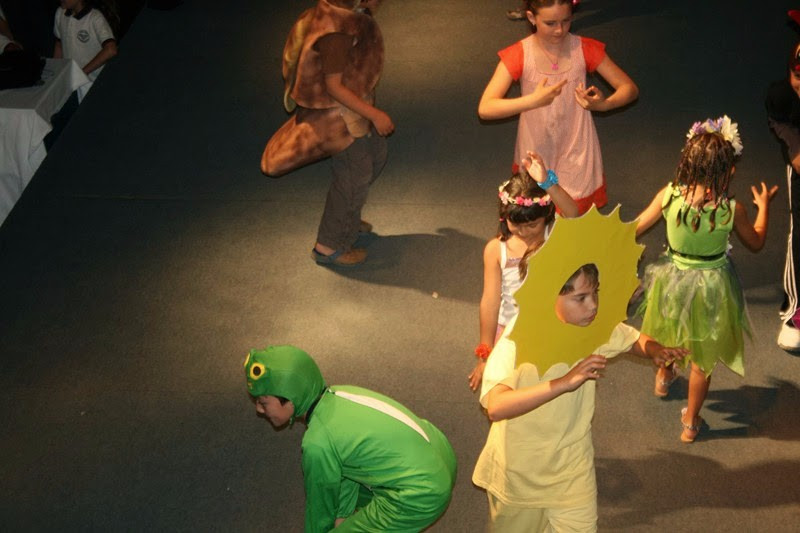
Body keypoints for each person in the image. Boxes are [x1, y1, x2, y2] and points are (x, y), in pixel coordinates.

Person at [473, 264, 687, 532]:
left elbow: (632, 339)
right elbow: (496, 406)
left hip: (573, 469)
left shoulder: (591, 326)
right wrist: (563, 383)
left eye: (595, 293)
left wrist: (655, 350)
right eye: (581, 298)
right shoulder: (517, 339)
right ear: (548, 294)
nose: (593, 305)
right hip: (520, 474)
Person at [636, 116, 778, 442]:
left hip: (672, 281)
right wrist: (763, 207)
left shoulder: (669, 195)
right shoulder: (731, 209)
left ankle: (664, 377)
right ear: (729, 171)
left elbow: (635, 227)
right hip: (711, 288)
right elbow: (756, 241)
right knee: (702, 360)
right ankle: (690, 422)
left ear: (687, 162)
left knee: (668, 330)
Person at [244, 345, 457, 532]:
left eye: (263, 403)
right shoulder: (338, 393)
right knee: (351, 499)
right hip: (439, 453)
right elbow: (346, 465)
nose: (259, 410)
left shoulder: (317, 444)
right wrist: (343, 516)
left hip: (421, 493)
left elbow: (320, 508)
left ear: (290, 400)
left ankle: (406, 519)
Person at [261, 0, 392, 267]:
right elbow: (334, 87)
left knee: (376, 155)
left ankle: (346, 218)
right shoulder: (336, 34)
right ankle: (329, 245)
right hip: (338, 120)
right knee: (354, 175)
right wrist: (375, 114)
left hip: (350, 112)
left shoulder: (345, 13)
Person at [479, 0, 638, 214]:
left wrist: (604, 105)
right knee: (536, 217)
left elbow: (629, 88)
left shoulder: (584, 48)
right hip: (536, 150)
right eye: (550, 23)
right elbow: (485, 108)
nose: (560, 30)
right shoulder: (520, 53)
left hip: (577, 149)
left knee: (575, 216)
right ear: (531, 18)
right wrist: (532, 101)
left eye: (566, 20)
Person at [469, 151, 579, 391]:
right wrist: (484, 354)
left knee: (548, 386)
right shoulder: (496, 250)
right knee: (511, 388)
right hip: (511, 333)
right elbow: (490, 302)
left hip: (550, 326)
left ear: (546, 216)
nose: (524, 232)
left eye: (532, 225)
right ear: (504, 217)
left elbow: (574, 214)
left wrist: (547, 183)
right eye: (516, 225)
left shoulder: (554, 235)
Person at [766, 34, 800, 352]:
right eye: (797, 76)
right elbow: (779, 121)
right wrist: (794, 147)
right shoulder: (782, 97)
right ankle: (796, 313)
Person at [53, 0, 118, 102]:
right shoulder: (60, 13)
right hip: (71, 82)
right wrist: (55, 72)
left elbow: (111, 49)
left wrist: (81, 73)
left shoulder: (95, 17)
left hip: (93, 83)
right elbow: (59, 44)